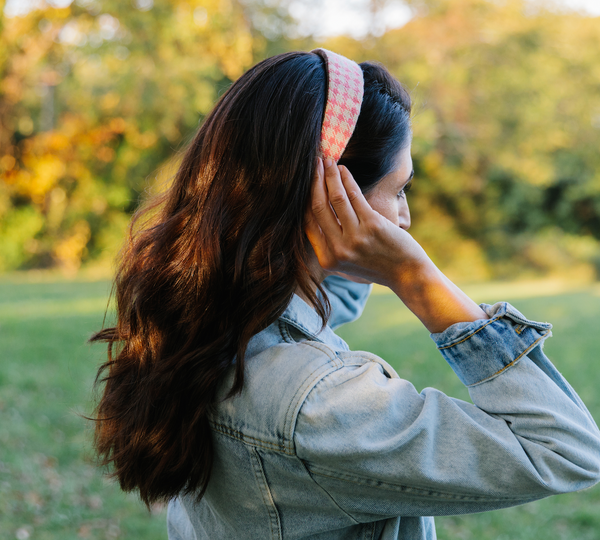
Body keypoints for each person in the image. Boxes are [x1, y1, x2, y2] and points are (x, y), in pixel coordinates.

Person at [90, 49, 600, 539]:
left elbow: (331, 294)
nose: (404, 219)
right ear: (329, 194)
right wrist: (415, 277)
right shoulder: (320, 404)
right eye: (399, 190)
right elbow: (565, 448)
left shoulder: (212, 313)